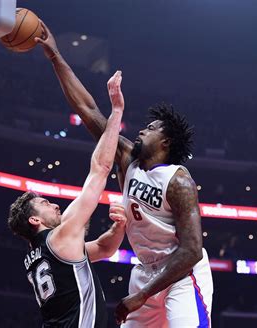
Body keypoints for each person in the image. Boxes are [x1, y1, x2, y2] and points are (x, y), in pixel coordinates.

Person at [36, 21, 214, 328]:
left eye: (153, 128)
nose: (144, 129)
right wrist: (55, 56)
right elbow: (88, 109)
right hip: (146, 270)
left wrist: (142, 295)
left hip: (181, 276)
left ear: (166, 142)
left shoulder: (178, 180)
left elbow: (192, 250)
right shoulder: (127, 158)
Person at [8, 71, 127, 328]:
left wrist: (119, 228)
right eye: (44, 204)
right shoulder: (60, 238)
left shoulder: (43, 253)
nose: (54, 204)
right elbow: (100, 169)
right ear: (34, 219)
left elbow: (106, 249)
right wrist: (116, 110)